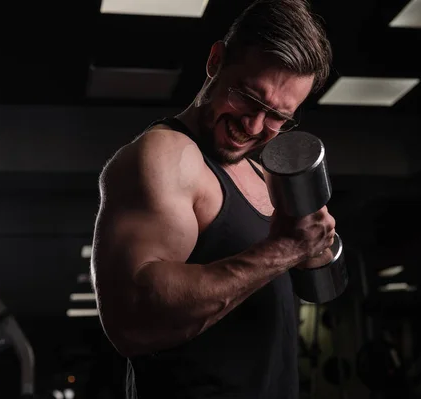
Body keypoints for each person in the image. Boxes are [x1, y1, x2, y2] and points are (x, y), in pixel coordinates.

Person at [91, 0, 335, 398]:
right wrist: (284, 250)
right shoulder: (166, 156)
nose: (254, 126)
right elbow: (133, 317)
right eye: (247, 98)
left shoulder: (262, 176)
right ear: (216, 60)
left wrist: (315, 246)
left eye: (278, 117)